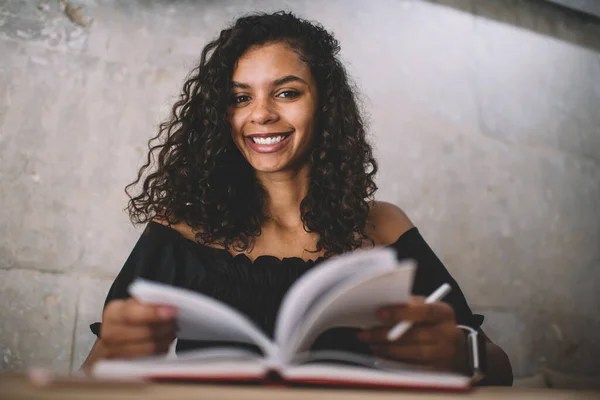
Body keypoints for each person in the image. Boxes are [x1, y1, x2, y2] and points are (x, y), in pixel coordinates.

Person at [81, 11, 512, 385]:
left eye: (286, 92)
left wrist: (458, 353)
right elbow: (91, 375)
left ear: (324, 103)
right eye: (240, 97)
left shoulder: (383, 227)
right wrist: (119, 356)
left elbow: (500, 368)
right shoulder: (178, 228)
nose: (262, 113)